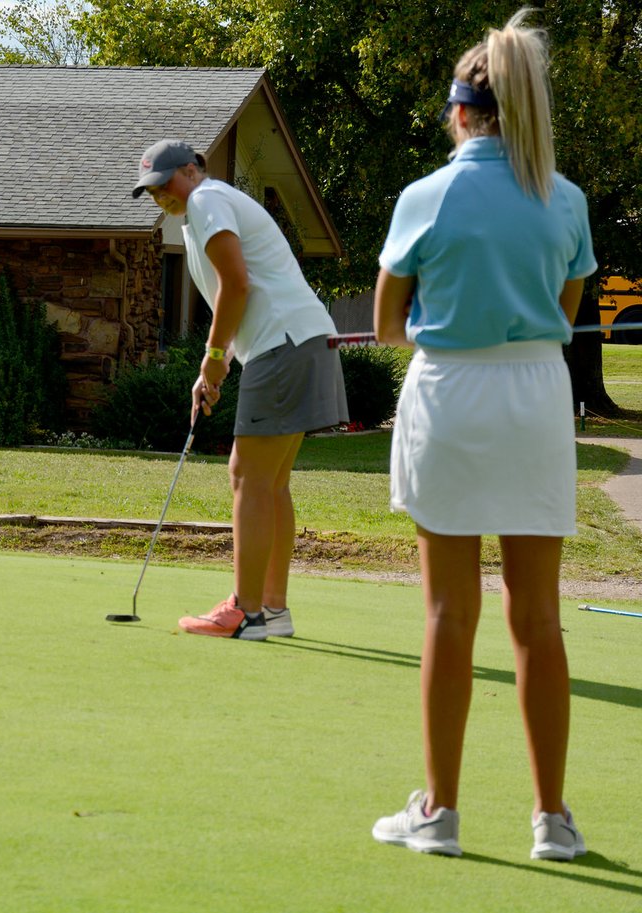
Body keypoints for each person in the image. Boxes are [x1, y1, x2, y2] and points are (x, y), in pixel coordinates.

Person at [371, 10, 596, 860]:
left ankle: (441, 813)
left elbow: (391, 322)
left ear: (462, 110)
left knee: (447, 613)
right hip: (538, 396)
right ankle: (553, 820)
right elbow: (565, 314)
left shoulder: (426, 196)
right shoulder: (565, 199)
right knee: (538, 614)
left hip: (452, 396)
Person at [131, 139, 348, 641]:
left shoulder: (207, 200)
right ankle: (272, 610)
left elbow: (237, 283)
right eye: (152, 190)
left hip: (285, 343)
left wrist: (210, 357)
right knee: (269, 482)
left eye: (166, 182)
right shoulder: (203, 213)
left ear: (191, 170)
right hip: (301, 339)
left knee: (247, 475)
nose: (161, 194)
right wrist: (218, 364)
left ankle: (246, 611)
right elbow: (240, 296)